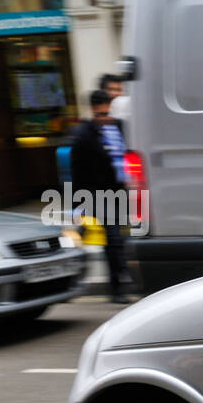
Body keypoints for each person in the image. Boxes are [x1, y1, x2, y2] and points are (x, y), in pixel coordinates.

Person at [72, 90, 133, 303]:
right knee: (114, 240)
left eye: (107, 113)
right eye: (100, 115)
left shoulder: (120, 128)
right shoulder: (83, 135)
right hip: (98, 195)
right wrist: (77, 207)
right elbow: (76, 172)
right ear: (92, 112)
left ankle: (124, 280)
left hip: (122, 192)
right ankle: (117, 289)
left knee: (122, 239)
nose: (104, 118)